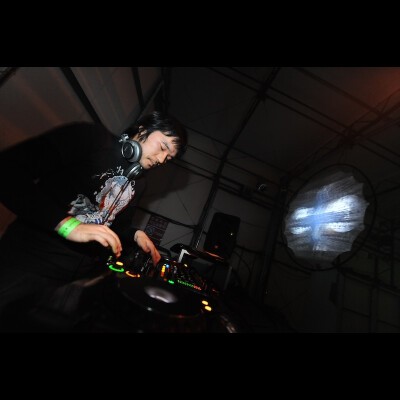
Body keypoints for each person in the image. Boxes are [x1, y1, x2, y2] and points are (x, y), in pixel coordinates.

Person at [0, 110, 187, 329]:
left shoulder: (139, 182)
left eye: (169, 158)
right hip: (29, 261)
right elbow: (7, 171)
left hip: (74, 281)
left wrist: (136, 235)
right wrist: (67, 225)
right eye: (163, 147)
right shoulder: (91, 138)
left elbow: (116, 225)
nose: (162, 159)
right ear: (142, 129)